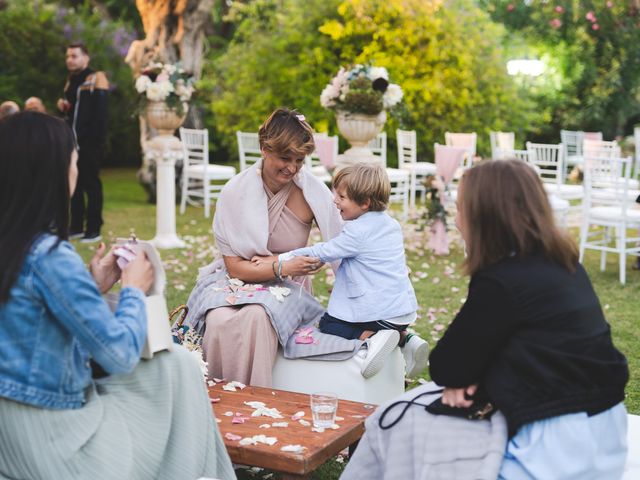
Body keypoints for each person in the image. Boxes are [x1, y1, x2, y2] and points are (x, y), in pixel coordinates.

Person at [342, 159, 628, 479]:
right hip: (606, 429)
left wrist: (471, 375)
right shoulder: (564, 264)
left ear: (484, 216)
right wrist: (475, 373)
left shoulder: (504, 278)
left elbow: (448, 365)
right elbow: (538, 346)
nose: (456, 217)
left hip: (556, 444)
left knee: (391, 420)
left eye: (461, 207)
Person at [0, 112, 235, 480]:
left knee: (177, 365)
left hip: (10, 432)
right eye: (74, 161)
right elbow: (119, 354)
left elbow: (29, 319)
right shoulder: (48, 255)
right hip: (57, 439)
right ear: (53, 173)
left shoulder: (13, 244)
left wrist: (91, 285)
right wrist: (133, 292)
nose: (76, 170)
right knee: (179, 373)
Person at [184, 107, 363, 387]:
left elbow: (345, 241)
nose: (291, 168)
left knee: (257, 315)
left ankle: (254, 399)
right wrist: (281, 265)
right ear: (264, 149)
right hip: (237, 280)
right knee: (218, 319)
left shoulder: (311, 193)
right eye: (284, 157)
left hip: (287, 288)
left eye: (299, 161)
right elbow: (234, 267)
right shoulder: (235, 192)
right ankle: (216, 401)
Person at [278, 163, 428, 379]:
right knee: (350, 317)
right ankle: (407, 338)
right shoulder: (391, 225)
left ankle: (371, 338)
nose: (335, 200)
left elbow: (323, 251)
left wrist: (284, 258)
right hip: (401, 311)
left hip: (380, 313)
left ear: (365, 203)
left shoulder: (357, 232)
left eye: (342, 197)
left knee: (329, 323)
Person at [58, 42, 109, 243]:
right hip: (71, 141)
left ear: (85, 57)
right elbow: (75, 110)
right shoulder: (71, 81)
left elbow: (101, 113)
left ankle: (94, 228)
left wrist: (95, 141)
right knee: (75, 184)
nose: (70, 60)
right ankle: (77, 226)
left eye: (74, 56)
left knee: (91, 183)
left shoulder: (96, 78)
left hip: (90, 143)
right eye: (68, 56)